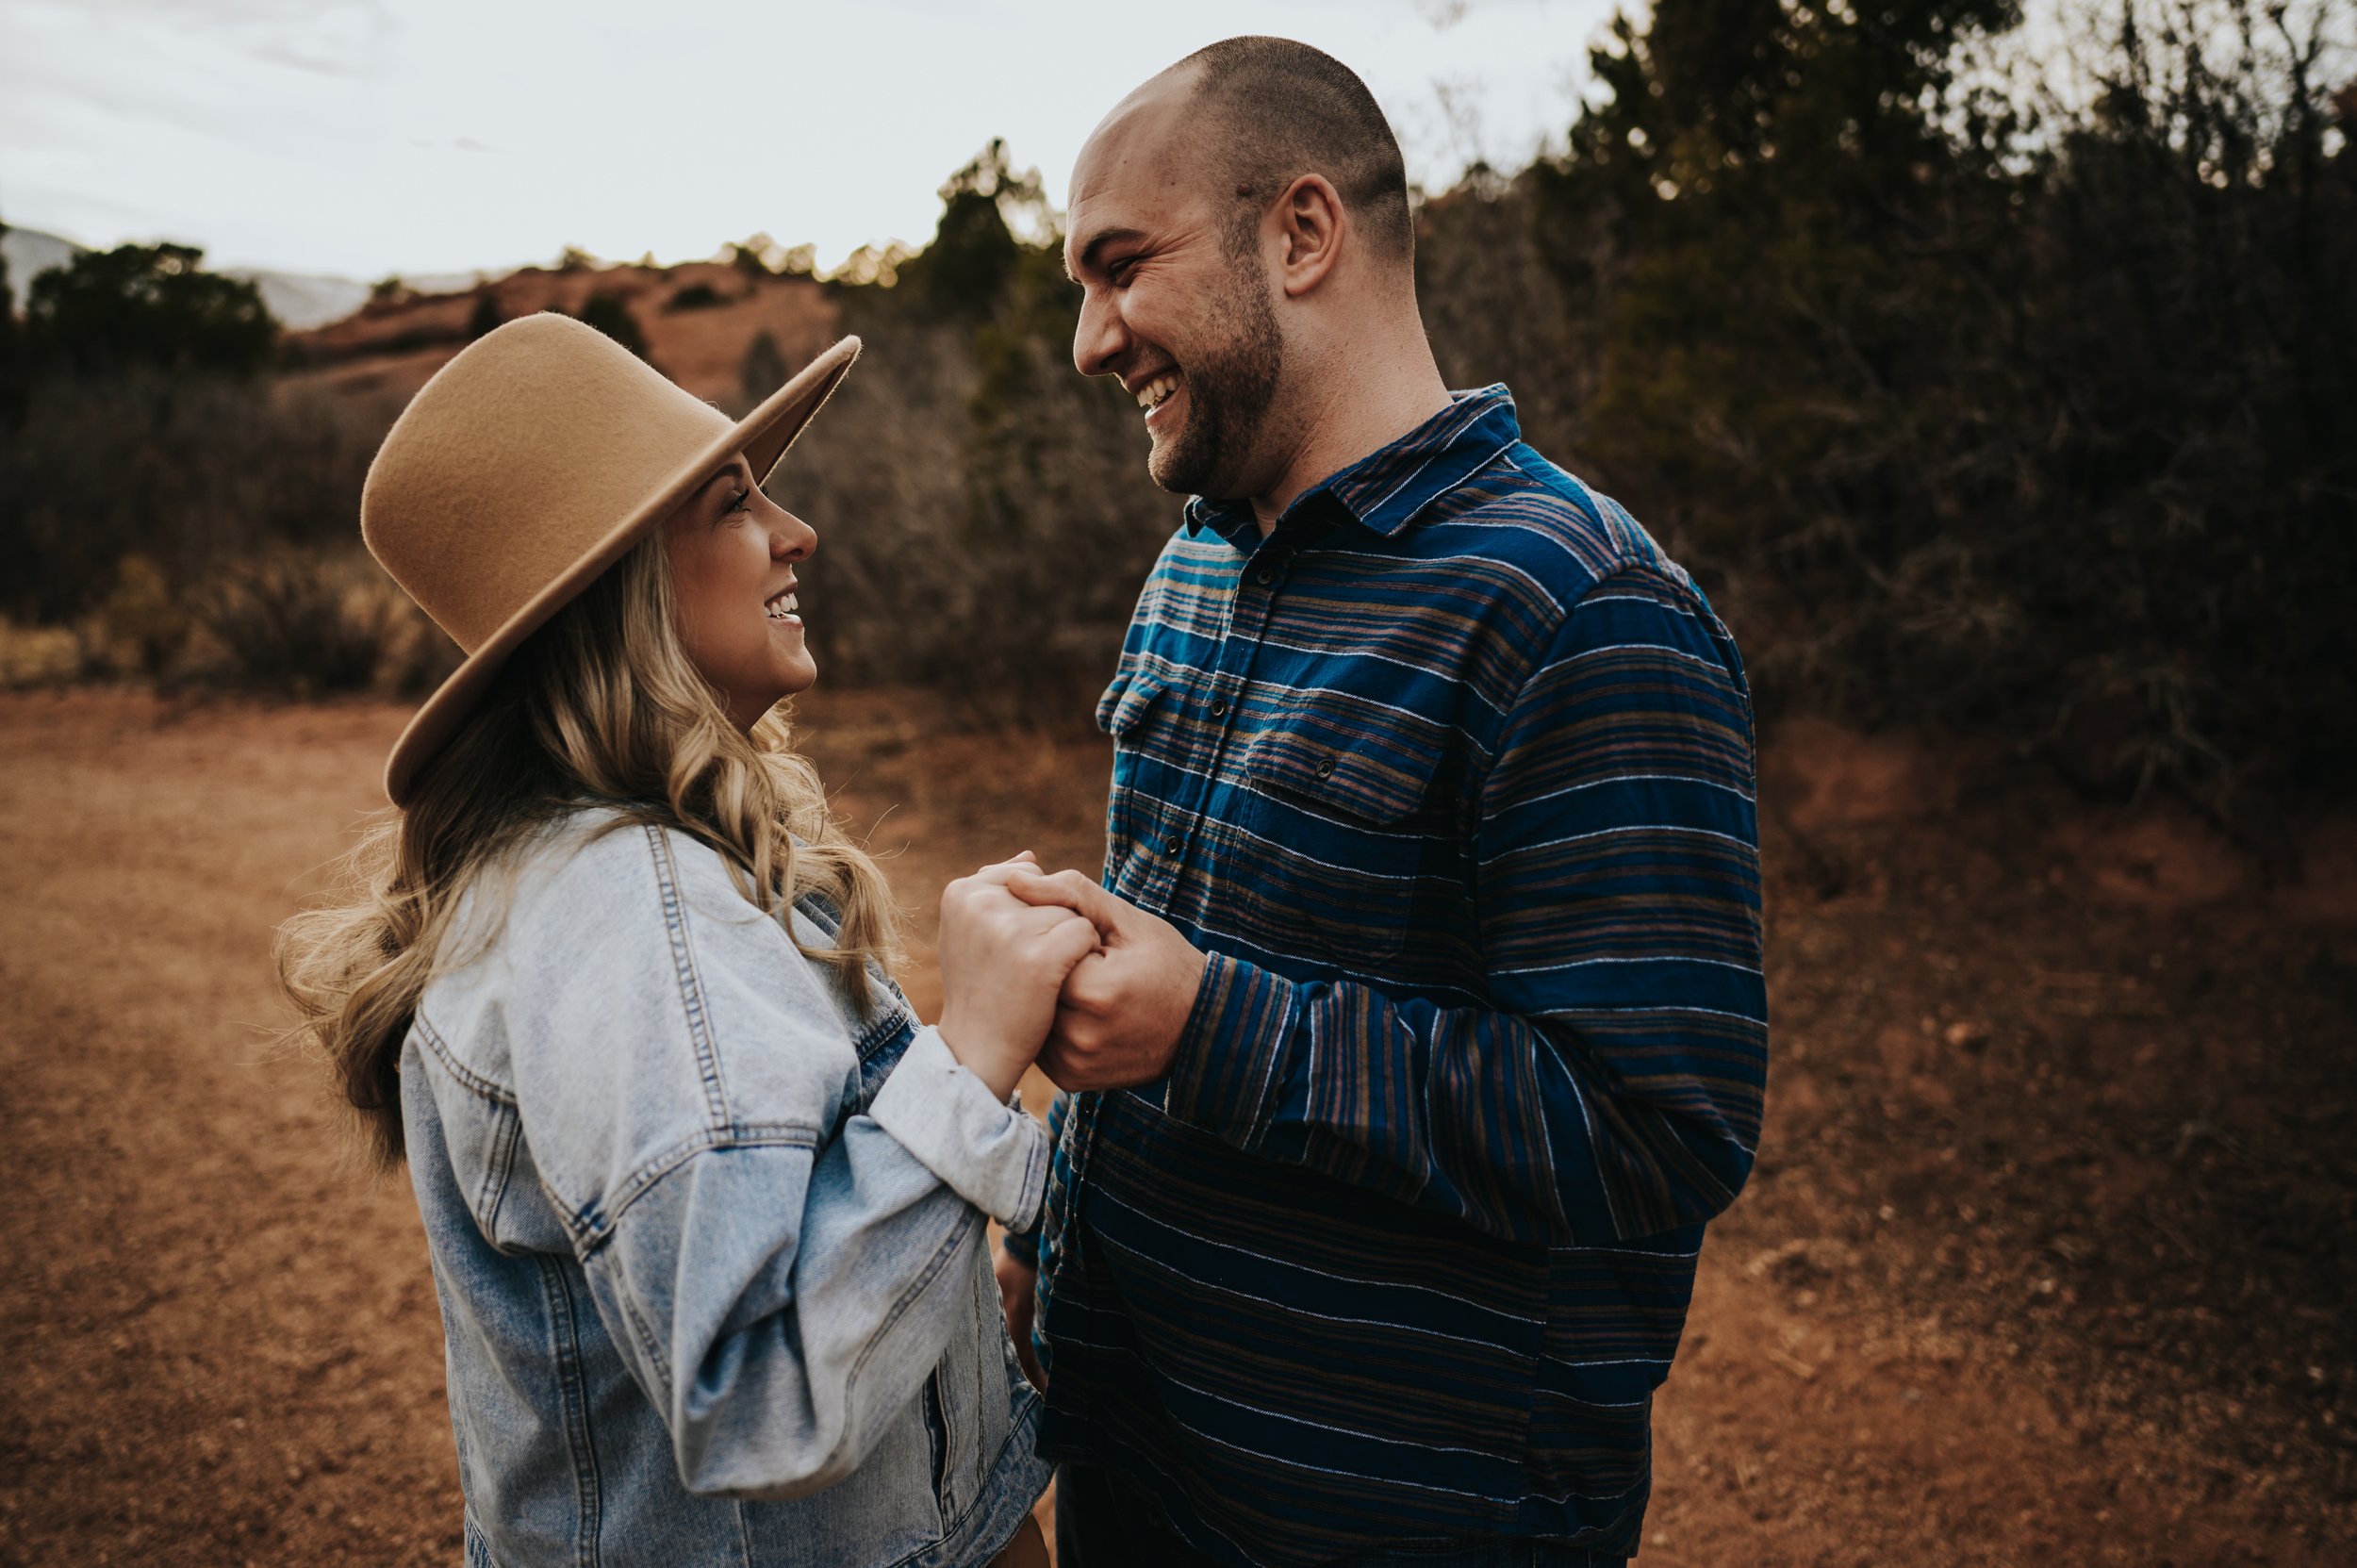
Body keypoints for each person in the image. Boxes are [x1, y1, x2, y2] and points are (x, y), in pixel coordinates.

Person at [993, 37, 1771, 1568]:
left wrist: (1212, 1024)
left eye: (1120, 268)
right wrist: (1049, 1240)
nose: (1089, 341)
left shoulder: (1575, 604)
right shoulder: (1193, 567)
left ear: (1300, 234)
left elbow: (1656, 1127)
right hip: (1137, 1467)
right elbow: (1168, 974)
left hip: (1394, 1521)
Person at [277, 315, 1075, 1567]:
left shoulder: (594, 870)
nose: (795, 532)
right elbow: (762, 1394)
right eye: (731, 502)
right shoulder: (631, 910)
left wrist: (958, 1295)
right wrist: (973, 1053)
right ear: (623, 593)